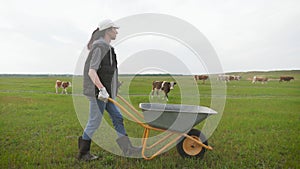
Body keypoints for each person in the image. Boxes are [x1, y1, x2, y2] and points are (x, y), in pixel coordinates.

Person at [77, 19, 141, 161]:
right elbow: (92, 71)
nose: (116, 32)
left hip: (106, 92)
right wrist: (101, 89)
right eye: (114, 29)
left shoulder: (108, 48)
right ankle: (83, 153)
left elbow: (105, 71)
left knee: (117, 117)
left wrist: (114, 85)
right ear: (107, 31)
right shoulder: (99, 47)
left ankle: (127, 149)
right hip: (98, 94)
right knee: (94, 121)